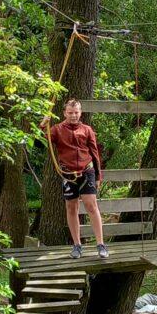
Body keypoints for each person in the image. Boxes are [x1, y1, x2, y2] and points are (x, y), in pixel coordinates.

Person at [46, 97, 108, 259]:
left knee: (91, 205)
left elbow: (95, 153)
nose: (73, 115)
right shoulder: (57, 129)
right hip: (68, 174)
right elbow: (41, 140)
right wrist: (43, 125)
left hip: (87, 172)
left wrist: (98, 176)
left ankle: (101, 244)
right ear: (64, 113)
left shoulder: (87, 130)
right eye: (70, 112)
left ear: (80, 113)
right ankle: (76, 245)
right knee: (71, 207)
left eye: (76, 112)